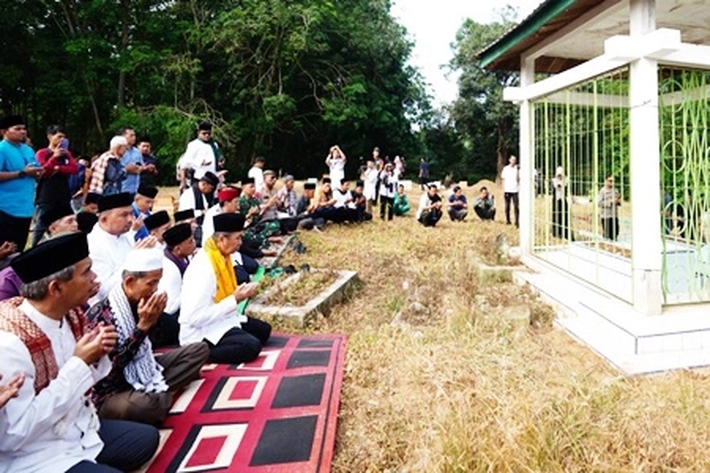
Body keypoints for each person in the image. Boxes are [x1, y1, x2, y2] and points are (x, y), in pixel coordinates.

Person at [0, 232, 159, 472]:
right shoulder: (10, 343)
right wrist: (79, 364)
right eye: (86, 272)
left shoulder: (70, 316)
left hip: (76, 429)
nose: (95, 278)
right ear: (56, 288)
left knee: (145, 439)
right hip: (34, 454)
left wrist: (97, 355)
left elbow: (94, 381)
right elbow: (14, 434)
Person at [89, 248, 209, 426]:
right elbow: (111, 372)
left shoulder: (141, 302)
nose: (155, 290)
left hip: (143, 370)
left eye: (157, 283)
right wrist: (142, 327)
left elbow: (151, 348)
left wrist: (155, 319)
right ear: (130, 282)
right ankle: (157, 395)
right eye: (151, 284)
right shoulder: (102, 316)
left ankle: (156, 393)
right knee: (145, 406)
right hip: (111, 391)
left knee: (199, 350)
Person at [179, 213, 272, 364]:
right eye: (237, 238)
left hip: (221, 319)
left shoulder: (223, 256)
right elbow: (195, 318)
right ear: (222, 239)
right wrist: (235, 299)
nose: (240, 243)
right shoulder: (205, 267)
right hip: (201, 331)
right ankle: (197, 354)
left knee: (263, 331)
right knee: (251, 346)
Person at [88, 193, 149, 305]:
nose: (131, 220)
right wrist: (133, 260)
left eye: (131, 214)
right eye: (124, 215)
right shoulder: (93, 245)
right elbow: (102, 291)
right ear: (104, 219)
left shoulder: (125, 236)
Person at [0, 115, 43, 249]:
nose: (22, 132)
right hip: (5, 208)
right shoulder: (2, 149)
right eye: (17, 129)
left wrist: (38, 173)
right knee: (4, 250)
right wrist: (22, 173)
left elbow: (34, 169)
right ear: (4, 132)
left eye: (24, 129)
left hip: (25, 208)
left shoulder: (28, 149)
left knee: (19, 250)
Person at [33, 125, 79, 246]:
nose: (61, 140)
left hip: (63, 193)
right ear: (50, 137)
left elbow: (74, 169)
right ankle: (34, 247)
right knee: (42, 223)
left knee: (68, 219)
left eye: (64, 137)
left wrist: (58, 168)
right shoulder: (42, 153)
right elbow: (44, 170)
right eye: (59, 136)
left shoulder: (67, 154)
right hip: (47, 194)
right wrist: (54, 157)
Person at [159, 223, 196, 319]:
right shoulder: (171, 270)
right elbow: (170, 308)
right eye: (190, 242)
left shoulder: (184, 258)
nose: (194, 243)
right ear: (178, 249)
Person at [178, 171, 219, 246]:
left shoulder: (204, 194)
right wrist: (202, 212)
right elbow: (182, 215)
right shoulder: (188, 195)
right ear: (204, 184)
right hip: (191, 226)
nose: (210, 191)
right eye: (210, 188)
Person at [179, 122, 221, 192]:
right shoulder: (194, 144)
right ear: (199, 133)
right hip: (200, 177)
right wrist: (200, 162)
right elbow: (186, 161)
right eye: (204, 133)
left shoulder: (214, 144)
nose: (207, 135)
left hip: (213, 176)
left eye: (209, 133)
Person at [118, 127, 144, 195]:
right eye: (131, 135)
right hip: (121, 189)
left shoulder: (137, 152)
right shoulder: (118, 151)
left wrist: (140, 168)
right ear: (123, 136)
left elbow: (141, 166)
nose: (134, 137)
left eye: (134, 135)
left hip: (135, 189)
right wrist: (127, 169)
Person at [598, 175, 621, 241]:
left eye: (613, 181)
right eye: (610, 181)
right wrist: (609, 202)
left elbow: (618, 200)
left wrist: (618, 201)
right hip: (606, 216)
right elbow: (599, 203)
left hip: (614, 215)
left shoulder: (615, 190)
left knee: (615, 233)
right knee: (607, 235)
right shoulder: (602, 191)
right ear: (606, 181)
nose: (612, 183)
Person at [552, 166, 571, 239]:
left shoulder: (566, 180)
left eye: (561, 175)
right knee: (556, 215)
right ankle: (556, 232)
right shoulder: (554, 180)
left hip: (563, 200)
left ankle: (564, 231)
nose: (559, 176)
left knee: (564, 215)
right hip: (556, 200)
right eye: (558, 175)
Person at [501, 155, 520, 227]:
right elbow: (503, 179)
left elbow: (519, 179)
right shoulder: (506, 169)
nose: (513, 161)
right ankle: (508, 220)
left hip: (515, 190)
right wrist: (504, 189)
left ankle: (517, 221)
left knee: (516, 206)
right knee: (507, 206)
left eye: (514, 160)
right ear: (509, 160)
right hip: (507, 189)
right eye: (512, 160)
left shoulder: (517, 169)